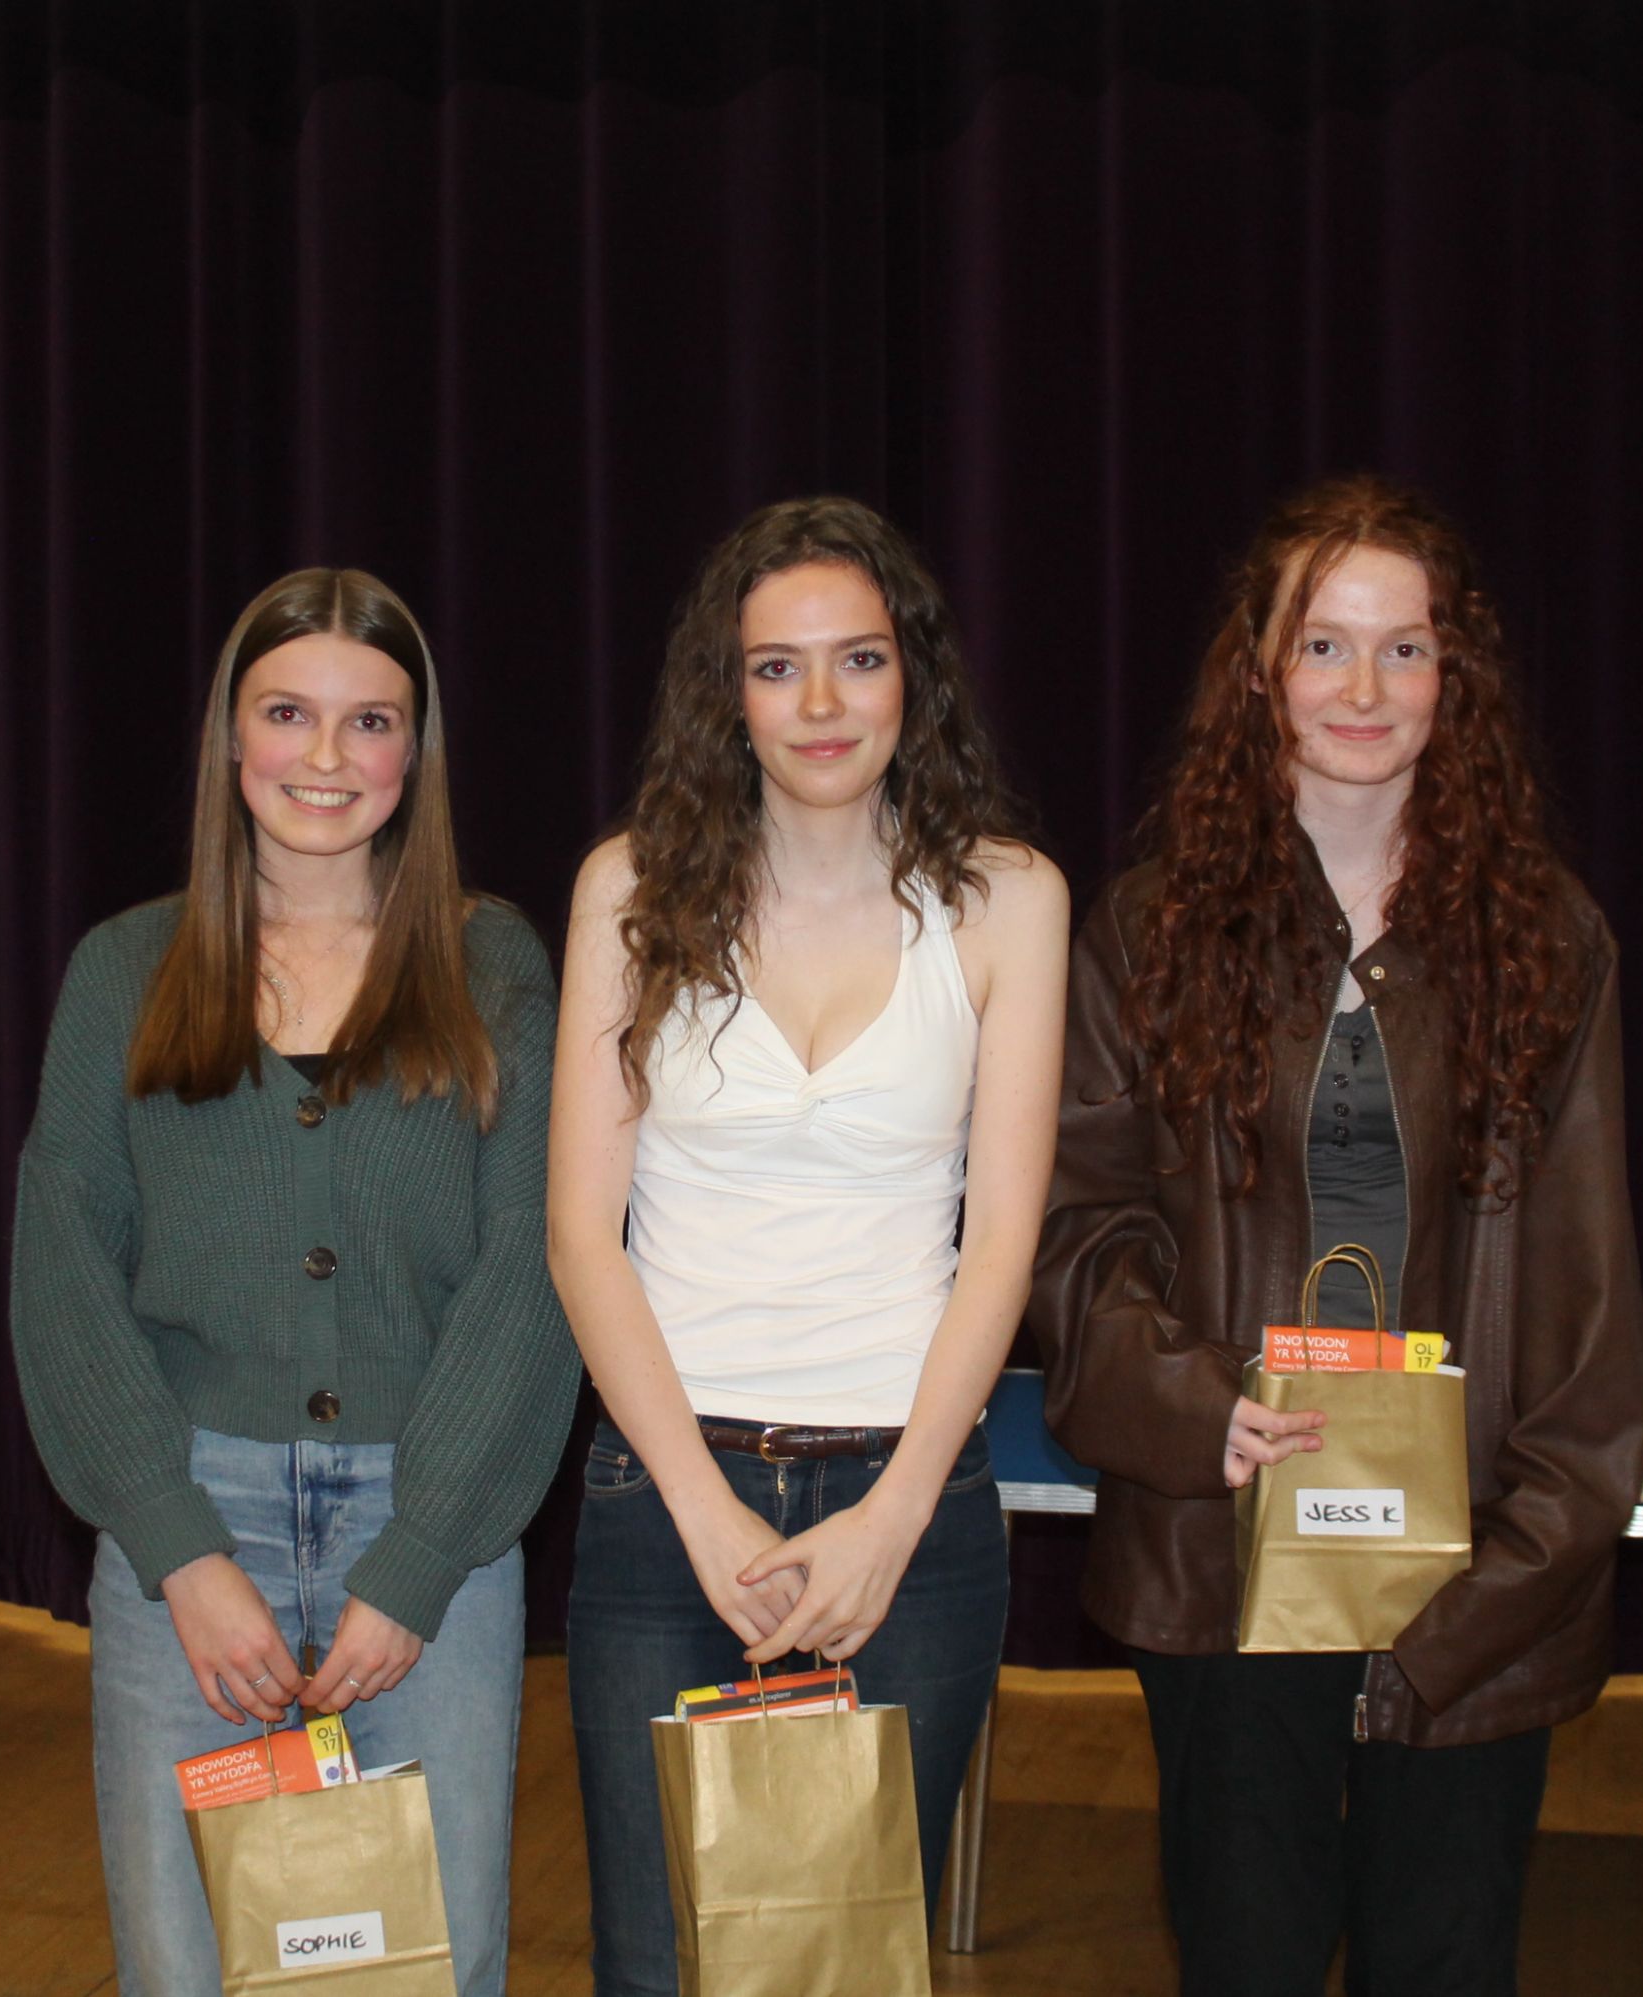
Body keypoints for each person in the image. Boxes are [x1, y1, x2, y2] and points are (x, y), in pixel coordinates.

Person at [1028, 474, 1643, 1996]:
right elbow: (1075, 1231)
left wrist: (1514, 1572)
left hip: (1475, 1572)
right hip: (1224, 1554)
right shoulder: (1146, 932)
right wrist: (1200, 1404)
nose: (1363, 688)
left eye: (1405, 647)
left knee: (1444, 1964)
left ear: (1455, 677)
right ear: (1259, 672)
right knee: (1244, 1956)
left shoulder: (1551, 941)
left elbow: (1588, 1303)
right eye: (1324, 644)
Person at [11, 567, 577, 1997]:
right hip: (191, 1532)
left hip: (434, 1531)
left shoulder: (493, 963)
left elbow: (532, 1269)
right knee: (186, 1965)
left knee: (423, 1966)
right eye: (287, 713)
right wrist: (179, 1551)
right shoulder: (125, 968)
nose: (326, 756)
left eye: (369, 720)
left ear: (415, 750)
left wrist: (421, 1554)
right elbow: (64, 1270)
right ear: (230, 735)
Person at [546, 496, 1067, 1993]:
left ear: (916, 675)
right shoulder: (629, 887)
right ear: (729, 692)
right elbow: (582, 1235)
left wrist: (892, 1520)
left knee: (845, 1966)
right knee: (660, 1967)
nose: (823, 703)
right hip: (668, 1495)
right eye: (778, 667)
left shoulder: (1010, 900)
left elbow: (1002, 1240)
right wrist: (709, 1518)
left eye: (860, 658)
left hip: (911, 1501)